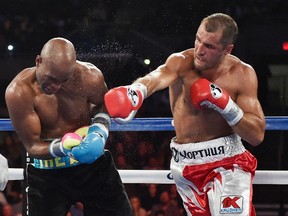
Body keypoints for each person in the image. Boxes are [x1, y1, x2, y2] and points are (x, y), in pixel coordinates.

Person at [104, 13, 266, 216]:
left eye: (209, 46)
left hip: (228, 164)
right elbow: (157, 77)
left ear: (227, 50)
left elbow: (257, 135)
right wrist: (136, 91)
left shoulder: (242, 74)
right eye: (198, 39)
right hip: (186, 166)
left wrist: (226, 105)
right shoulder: (181, 62)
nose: (199, 50)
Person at [5, 37, 133, 216]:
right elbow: (32, 146)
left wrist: (99, 131)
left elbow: (102, 105)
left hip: (93, 168)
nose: (56, 86)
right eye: (51, 78)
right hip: (47, 174)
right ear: (38, 61)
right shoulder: (19, 92)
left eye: (64, 80)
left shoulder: (89, 77)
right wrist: (62, 148)